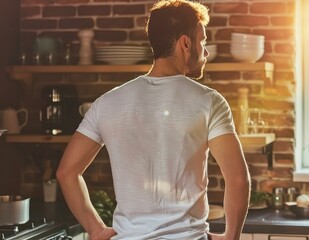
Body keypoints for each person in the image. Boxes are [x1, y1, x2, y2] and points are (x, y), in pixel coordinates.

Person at [56, 0, 251, 239]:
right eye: (203, 41)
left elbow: (66, 173)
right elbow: (238, 179)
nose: (206, 51)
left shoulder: (106, 103)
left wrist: (96, 230)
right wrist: (231, 237)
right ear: (185, 43)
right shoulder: (209, 101)